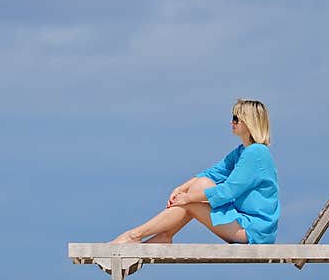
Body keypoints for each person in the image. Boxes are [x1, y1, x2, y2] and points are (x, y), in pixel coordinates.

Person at [110, 98, 279, 245]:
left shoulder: (256, 153)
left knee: (192, 198)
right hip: (242, 224)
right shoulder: (242, 151)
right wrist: (181, 188)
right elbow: (215, 173)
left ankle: (136, 235)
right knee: (200, 186)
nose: (231, 122)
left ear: (249, 123)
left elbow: (228, 191)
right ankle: (160, 236)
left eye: (236, 118)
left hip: (253, 230)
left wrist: (188, 197)